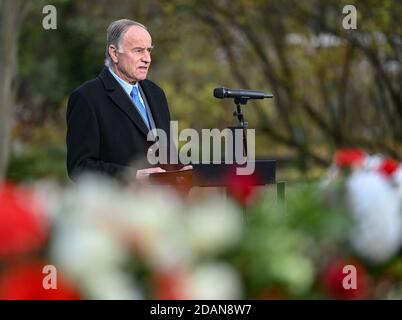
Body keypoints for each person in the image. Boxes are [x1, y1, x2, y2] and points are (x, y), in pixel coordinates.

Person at [66, 19, 180, 181]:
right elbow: (79, 167)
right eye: (139, 50)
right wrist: (132, 176)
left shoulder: (157, 94)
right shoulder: (87, 98)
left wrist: (182, 169)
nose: (147, 58)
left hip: (160, 203)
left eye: (149, 50)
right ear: (114, 53)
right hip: (116, 204)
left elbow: (167, 155)